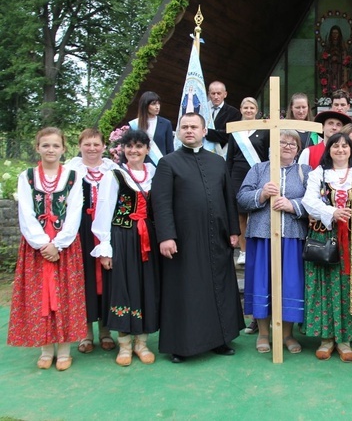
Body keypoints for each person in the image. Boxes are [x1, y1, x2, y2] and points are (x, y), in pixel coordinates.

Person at [152, 112, 244, 363]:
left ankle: (221, 339)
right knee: (186, 290)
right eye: (184, 127)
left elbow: (228, 198)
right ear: (178, 132)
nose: (189, 130)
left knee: (220, 286)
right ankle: (182, 345)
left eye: (194, 127)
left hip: (217, 238)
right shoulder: (168, 163)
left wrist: (234, 231)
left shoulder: (217, 162)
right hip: (184, 240)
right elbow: (161, 204)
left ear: (205, 131)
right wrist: (166, 237)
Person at [8, 127, 86, 371]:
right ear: (37, 148)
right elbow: (26, 213)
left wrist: (59, 243)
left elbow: (74, 212)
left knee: (65, 295)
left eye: (55, 145)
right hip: (37, 247)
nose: (50, 150)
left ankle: (64, 349)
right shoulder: (27, 177)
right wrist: (43, 243)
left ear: (63, 149)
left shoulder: (73, 177)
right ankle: (45, 348)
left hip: (65, 246)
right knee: (39, 293)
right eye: (46, 145)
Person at [302, 132, 352, 362]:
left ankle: (345, 339)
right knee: (324, 284)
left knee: (348, 287)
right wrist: (333, 212)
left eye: (346, 146)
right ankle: (326, 339)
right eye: (336, 146)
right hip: (325, 236)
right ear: (329, 149)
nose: (341, 150)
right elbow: (308, 201)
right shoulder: (319, 174)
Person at [237, 129, 311, 354]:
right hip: (262, 236)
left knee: (290, 284)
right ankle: (264, 333)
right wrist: (261, 194)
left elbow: (316, 200)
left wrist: (293, 206)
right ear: (272, 146)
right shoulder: (259, 169)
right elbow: (241, 197)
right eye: (282, 142)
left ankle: (287, 334)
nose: (287, 146)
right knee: (262, 282)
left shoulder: (304, 171)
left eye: (292, 144)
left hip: (292, 237)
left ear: (298, 149)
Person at [91, 130, 160, 366]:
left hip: (147, 239)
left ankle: (142, 343)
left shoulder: (154, 173)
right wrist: (105, 247)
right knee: (123, 286)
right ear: (122, 150)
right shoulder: (114, 175)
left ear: (147, 150)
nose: (134, 150)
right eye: (129, 146)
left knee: (145, 287)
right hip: (122, 237)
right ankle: (124, 345)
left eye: (139, 146)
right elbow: (104, 209)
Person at [64, 129, 118, 354]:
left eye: (96, 144)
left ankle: (106, 332)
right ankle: (85, 334)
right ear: (80, 146)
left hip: (106, 229)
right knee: (83, 278)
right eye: (88, 144)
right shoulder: (70, 171)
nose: (92, 148)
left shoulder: (113, 170)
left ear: (104, 146)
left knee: (107, 279)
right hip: (81, 230)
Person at [227, 97, 270, 266]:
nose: (249, 111)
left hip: (258, 172)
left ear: (257, 110)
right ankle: (243, 251)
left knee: (259, 212)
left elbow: (267, 155)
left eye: (252, 108)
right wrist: (227, 179)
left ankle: (258, 250)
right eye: (246, 108)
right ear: (241, 109)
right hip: (237, 174)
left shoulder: (264, 129)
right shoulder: (235, 130)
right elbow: (229, 157)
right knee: (241, 214)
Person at [129, 91, 174, 165]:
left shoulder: (166, 124)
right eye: (153, 104)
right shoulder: (135, 124)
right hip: (140, 166)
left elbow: (170, 149)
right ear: (145, 105)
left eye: (158, 103)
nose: (157, 107)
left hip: (160, 166)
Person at [203, 81, 242, 151]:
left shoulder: (234, 113)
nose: (216, 97)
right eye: (213, 93)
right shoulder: (201, 109)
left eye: (219, 93)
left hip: (222, 152)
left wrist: (207, 132)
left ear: (225, 94)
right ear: (209, 94)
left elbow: (230, 135)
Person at [320, 27, 350, 92]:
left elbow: (345, 57)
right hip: (330, 69)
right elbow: (324, 57)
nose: (335, 35)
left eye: (336, 33)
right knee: (331, 83)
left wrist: (338, 58)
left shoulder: (342, 45)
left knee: (339, 83)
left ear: (339, 34)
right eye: (333, 33)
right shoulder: (328, 45)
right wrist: (330, 57)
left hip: (340, 69)